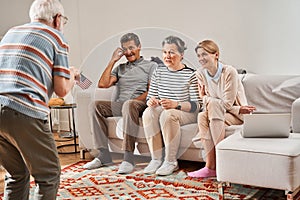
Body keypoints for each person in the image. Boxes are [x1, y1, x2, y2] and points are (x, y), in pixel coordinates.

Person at [0, 0, 80, 199]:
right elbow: (61, 90)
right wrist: (72, 77)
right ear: (57, 18)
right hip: (24, 111)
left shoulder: (11, 33)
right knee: (49, 175)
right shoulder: (57, 37)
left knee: (16, 174)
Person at [82, 33, 158, 174]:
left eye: (131, 48)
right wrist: (112, 61)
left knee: (129, 105)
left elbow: (151, 91)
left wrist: (133, 101)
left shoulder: (151, 66)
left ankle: (128, 158)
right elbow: (103, 84)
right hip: (122, 105)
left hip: (139, 104)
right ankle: (103, 155)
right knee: (94, 105)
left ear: (139, 47)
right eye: (125, 49)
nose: (128, 52)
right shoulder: (120, 68)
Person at [187, 40, 256, 178]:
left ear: (216, 55)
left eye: (204, 54)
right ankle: (210, 166)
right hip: (219, 113)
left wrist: (204, 97)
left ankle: (221, 162)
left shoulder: (229, 72)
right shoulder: (200, 74)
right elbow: (209, 103)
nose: (201, 59)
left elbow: (227, 104)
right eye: (199, 55)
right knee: (202, 116)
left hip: (236, 116)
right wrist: (206, 99)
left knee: (212, 105)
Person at [142, 36, 202, 176]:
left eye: (172, 52)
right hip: (165, 109)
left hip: (186, 112)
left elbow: (197, 105)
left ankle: (171, 161)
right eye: (165, 52)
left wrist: (177, 104)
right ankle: (156, 159)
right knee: (148, 112)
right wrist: (151, 101)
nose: (167, 56)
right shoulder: (159, 72)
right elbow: (151, 96)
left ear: (181, 55)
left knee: (168, 114)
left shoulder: (191, 75)